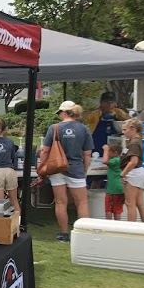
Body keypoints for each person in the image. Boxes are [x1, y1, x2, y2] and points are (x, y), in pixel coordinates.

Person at [40, 101, 93, 242]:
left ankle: (64, 233)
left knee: (60, 202)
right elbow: (87, 153)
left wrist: (44, 168)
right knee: (81, 203)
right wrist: (85, 170)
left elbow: (45, 150)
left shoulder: (54, 128)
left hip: (57, 169)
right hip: (76, 168)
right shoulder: (84, 129)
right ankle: (85, 234)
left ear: (64, 112)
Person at [84, 91, 129, 158]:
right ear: (101, 103)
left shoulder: (118, 112)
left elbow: (129, 121)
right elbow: (84, 120)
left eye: (112, 102)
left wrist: (118, 116)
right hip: (97, 144)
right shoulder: (95, 113)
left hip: (113, 145)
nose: (109, 105)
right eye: (107, 102)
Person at [120, 118, 144, 223]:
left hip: (133, 173)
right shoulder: (137, 140)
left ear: (133, 129)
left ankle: (131, 227)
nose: (123, 132)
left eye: (125, 130)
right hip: (139, 172)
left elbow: (133, 161)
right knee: (140, 202)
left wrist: (123, 174)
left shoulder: (134, 143)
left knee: (129, 202)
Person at [103, 142, 125, 220]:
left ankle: (108, 224)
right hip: (120, 189)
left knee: (109, 208)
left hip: (112, 190)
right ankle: (117, 226)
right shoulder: (120, 160)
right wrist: (101, 168)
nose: (108, 154)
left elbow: (105, 161)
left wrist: (105, 150)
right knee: (117, 210)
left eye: (109, 152)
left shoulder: (115, 160)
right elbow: (112, 168)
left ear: (115, 153)